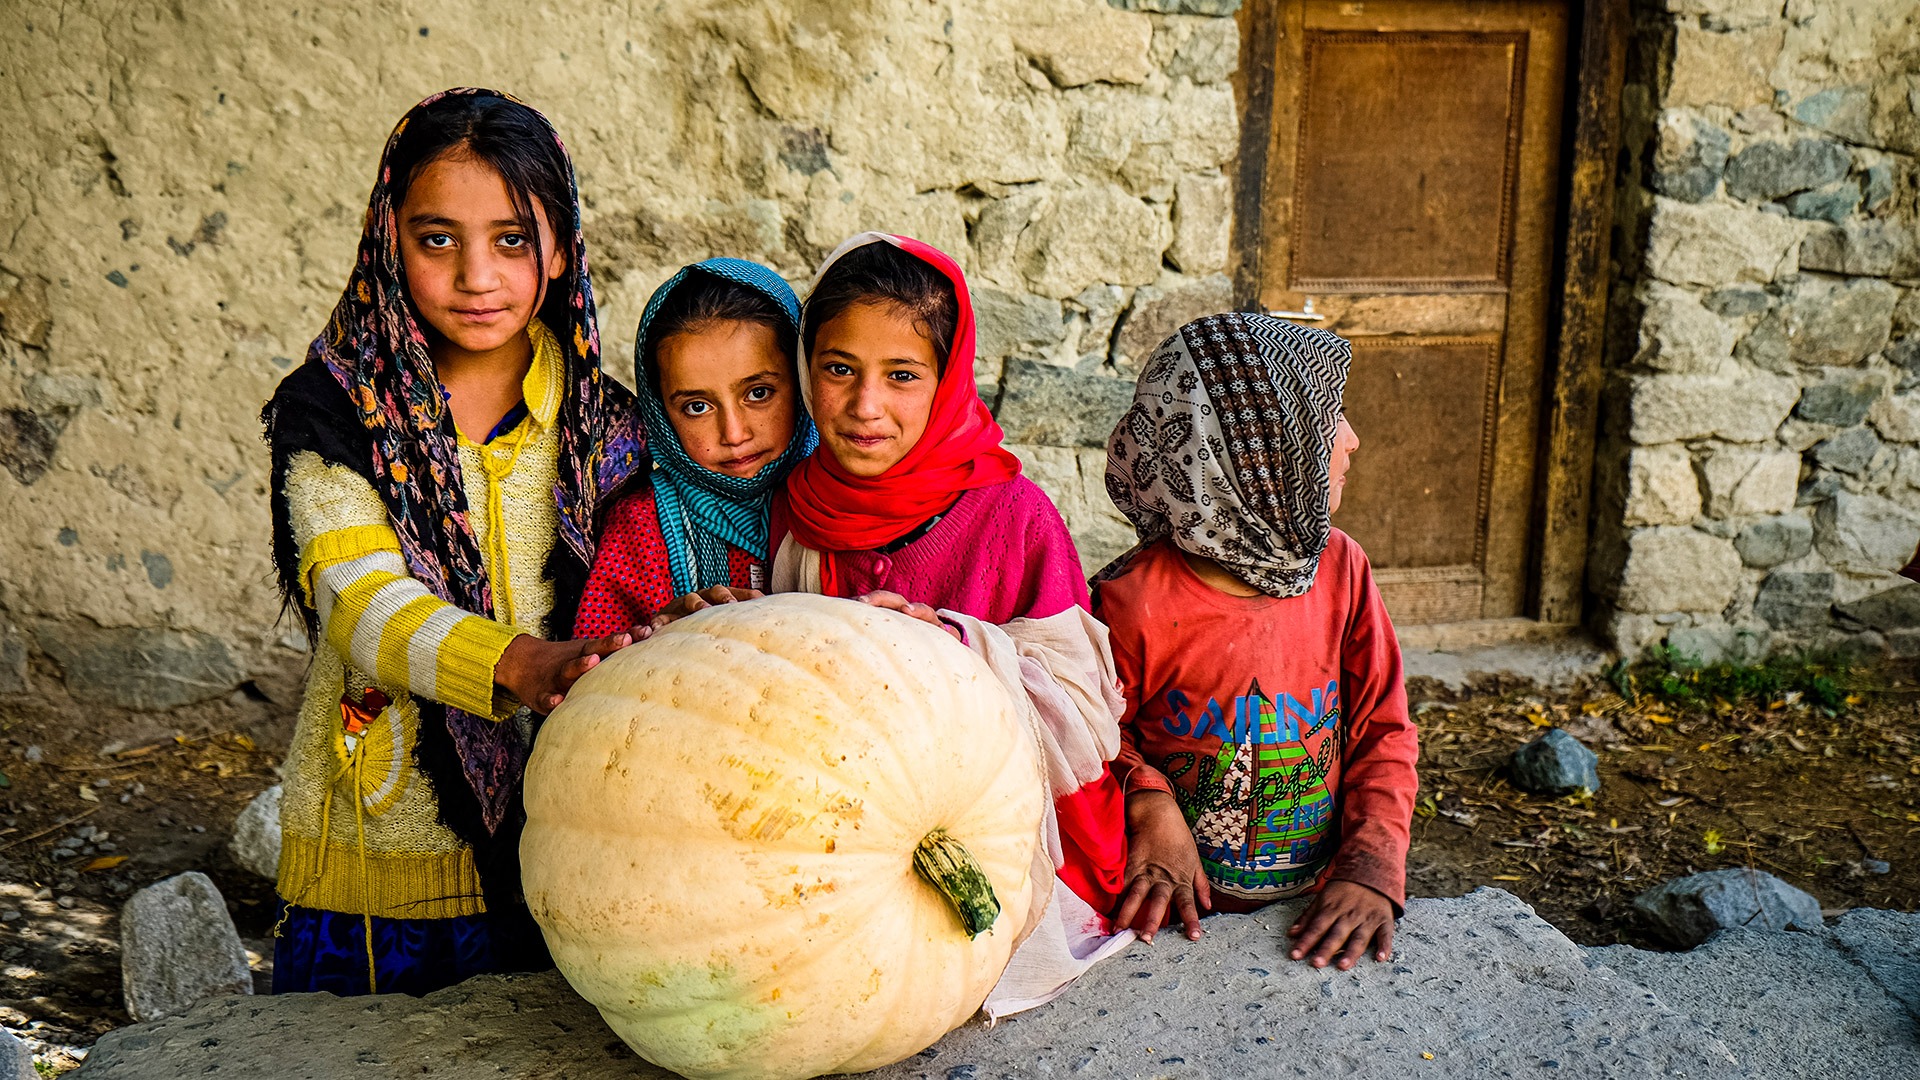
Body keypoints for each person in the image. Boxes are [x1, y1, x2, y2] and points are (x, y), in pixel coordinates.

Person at [260, 88, 644, 996]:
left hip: (567, 839)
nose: (477, 275)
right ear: (390, 241)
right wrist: (524, 663)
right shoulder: (336, 409)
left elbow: (638, 599)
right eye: (438, 239)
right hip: (377, 853)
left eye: (512, 238)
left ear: (560, 247)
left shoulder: (609, 428)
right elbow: (362, 609)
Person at [1093, 312, 1419, 971]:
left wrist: (1370, 866)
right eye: (1329, 419)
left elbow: (1385, 731)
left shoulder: (1341, 568)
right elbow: (1082, 737)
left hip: (1313, 908)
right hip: (1176, 919)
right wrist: (1148, 794)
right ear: (1253, 454)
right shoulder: (1129, 601)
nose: (1353, 439)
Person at [572, 259, 816, 638]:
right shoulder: (641, 532)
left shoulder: (847, 497)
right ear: (661, 412)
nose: (733, 434)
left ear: (803, 382)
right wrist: (657, 637)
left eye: (759, 393)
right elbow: (593, 672)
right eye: (697, 407)